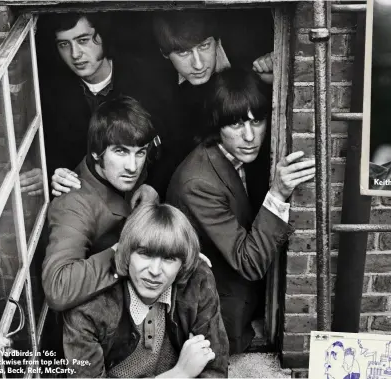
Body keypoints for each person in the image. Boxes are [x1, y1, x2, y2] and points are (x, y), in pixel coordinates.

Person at [167, 68, 316, 354]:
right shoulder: (198, 183)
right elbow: (249, 263)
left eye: (257, 121)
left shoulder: (238, 155)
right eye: (236, 124)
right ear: (216, 125)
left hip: (250, 303)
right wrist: (278, 193)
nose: (250, 136)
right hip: (216, 323)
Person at [63, 203, 229, 378]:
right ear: (126, 253)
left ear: (182, 265)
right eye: (145, 254)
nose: (155, 271)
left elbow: (215, 370)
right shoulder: (89, 309)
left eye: (169, 258)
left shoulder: (197, 280)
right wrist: (179, 374)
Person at [36, 13, 173, 199]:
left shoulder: (146, 79)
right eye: (64, 44)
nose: (75, 54)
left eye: (83, 40)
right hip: (88, 201)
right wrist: (52, 171)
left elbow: (174, 142)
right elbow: (52, 150)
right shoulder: (52, 92)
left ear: (104, 37)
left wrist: (154, 186)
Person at [42, 95, 157, 311]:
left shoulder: (122, 171)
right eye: (120, 151)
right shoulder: (73, 204)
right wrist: (130, 249)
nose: (132, 167)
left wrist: (151, 192)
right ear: (96, 152)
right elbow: (58, 288)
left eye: (140, 153)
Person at [152, 10, 275, 165]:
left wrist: (277, 78)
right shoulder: (162, 89)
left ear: (218, 41)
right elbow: (177, 147)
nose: (198, 64)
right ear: (164, 54)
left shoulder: (254, 50)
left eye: (204, 46)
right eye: (183, 53)